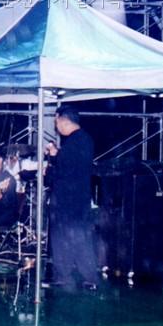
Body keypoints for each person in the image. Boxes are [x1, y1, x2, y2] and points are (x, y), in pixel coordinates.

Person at [45, 105, 99, 290]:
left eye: (56, 121)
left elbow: (65, 170)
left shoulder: (75, 143)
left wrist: (51, 163)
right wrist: (57, 156)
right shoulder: (84, 140)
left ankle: (66, 276)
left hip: (67, 200)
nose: (56, 125)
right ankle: (87, 277)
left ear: (62, 119)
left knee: (63, 239)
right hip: (78, 199)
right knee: (79, 238)